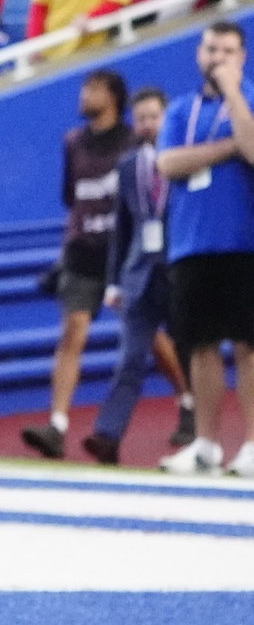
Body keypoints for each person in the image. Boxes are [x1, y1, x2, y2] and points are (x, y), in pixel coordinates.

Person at [155, 21, 254, 475]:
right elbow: (169, 163)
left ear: (243, 57)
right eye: (211, 48)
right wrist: (228, 146)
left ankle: (252, 445)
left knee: (249, 345)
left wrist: (234, 94)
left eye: (228, 51)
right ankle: (206, 445)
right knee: (201, 345)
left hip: (244, 240)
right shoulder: (180, 109)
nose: (217, 58)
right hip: (192, 241)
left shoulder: (249, 98)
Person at [81, 87, 197, 465]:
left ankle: (195, 419)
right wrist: (114, 281)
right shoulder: (130, 165)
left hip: (180, 271)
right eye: (141, 117)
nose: (148, 123)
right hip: (140, 275)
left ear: (167, 118)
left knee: (190, 353)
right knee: (130, 358)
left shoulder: (184, 160)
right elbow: (124, 228)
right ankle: (108, 435)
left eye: (154, 116)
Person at [22, 70, 132, 459]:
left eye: (94, 90)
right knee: (73, 332)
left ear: (114, 97)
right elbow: (72, 197)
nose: (85, 95)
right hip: (82, 252)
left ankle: (187, 399)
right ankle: (57, 425)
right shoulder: (73, 143)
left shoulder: (131, 144)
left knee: (149, 336)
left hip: (124, 253)